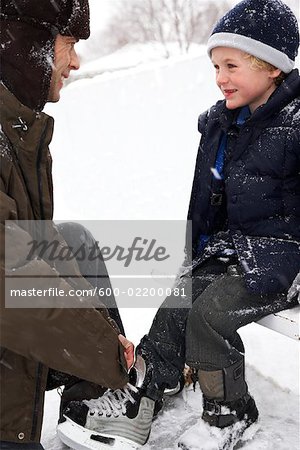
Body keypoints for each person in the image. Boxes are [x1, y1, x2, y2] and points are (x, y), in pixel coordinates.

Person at [59, 0, 300, 449]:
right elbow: (207, 197)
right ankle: (149, 386)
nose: (220, 77)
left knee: (209, 316)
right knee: (180, 296)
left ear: (273, 67)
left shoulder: (295, 125)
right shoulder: (222, 123)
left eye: (231, 65)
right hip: (233, 248)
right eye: (215, 66)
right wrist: (194, 255)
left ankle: (228, 416)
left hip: (282, 259)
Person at [0, 1, 135, 449]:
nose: (76, 61)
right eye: (70, 43)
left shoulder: (15, 129)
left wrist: (103, 344)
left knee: (70, 240)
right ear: (30, 42)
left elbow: (33, 246)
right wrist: (107, 353)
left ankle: (94, 401)